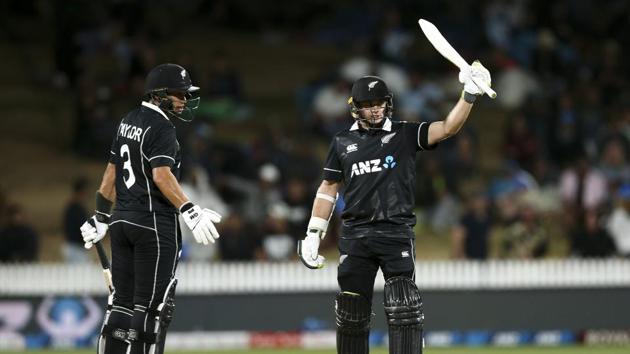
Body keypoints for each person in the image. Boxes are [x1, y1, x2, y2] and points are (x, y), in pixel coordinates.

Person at [298, 62, 492, 354]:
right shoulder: (342, 142)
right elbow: (328, 189)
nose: (375, 110)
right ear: (356, 108)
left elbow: (447, 128)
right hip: (356, 236)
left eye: (379, 104)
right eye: (368, 105)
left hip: (396, 233)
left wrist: (468, 95)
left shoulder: (404, 134)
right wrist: (314, 233)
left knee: (404, 307)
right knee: (351, 311)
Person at [79, 63, 222, 354]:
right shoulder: (162, 128)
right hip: (154, 225)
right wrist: (189, 210)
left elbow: (111, 173)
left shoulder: (127, 120)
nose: (183, 100)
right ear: (157, 95)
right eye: (178, 94)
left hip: (121, 222)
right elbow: (161, 175)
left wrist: (101, 216)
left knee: (121, 303)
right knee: (152, 308)